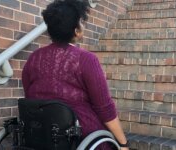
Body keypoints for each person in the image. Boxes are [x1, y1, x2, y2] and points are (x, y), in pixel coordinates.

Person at [21, 0, 129, 149]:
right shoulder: (86, 59)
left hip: (43, 134)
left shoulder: (34, 58)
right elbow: (104, 107)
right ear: (76, 30)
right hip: (78, 136)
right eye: (81, 22)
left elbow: (29, 95)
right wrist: (123, 143)